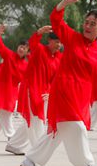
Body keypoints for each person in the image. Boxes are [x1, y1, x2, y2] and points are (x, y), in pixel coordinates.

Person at [20, 0, 97, 166]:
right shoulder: (72, 38)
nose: (88, 26)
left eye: (93, 24)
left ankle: (31, 160)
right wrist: (64, 3)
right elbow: (56, 20)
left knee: (59, 130)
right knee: (78, 127)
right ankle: (88, 163)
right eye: (86, 22)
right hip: (63, 92)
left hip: (81, 97)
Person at [6, 26, 61, 155]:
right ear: (49, 41)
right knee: (36, 120)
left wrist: (51, 92)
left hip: (45, 93)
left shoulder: (59, 58)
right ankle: (38, 151)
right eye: (56, 41)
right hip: (32, 89)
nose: (59, 45)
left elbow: (56, 78)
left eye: (60, 42)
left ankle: (14, 144)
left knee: (32, 120)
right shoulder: (40, 50)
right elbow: (33, 43)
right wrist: (39, 32)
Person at [0, 25, 27, 142]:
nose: (21, 49)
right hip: (2, 88)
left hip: (12, 91)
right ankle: (11, 135)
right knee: (5, 112)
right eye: (20, 46)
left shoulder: (26, 66)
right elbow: (1, 46)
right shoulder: (9, 55)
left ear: (27, 51)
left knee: (3, 112)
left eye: (24, 48)